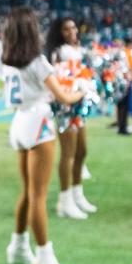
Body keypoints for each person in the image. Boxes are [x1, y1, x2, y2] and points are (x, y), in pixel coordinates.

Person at [2, 7, 85, 264]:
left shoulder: (7, 60)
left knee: (27, 192)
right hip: (38, 123)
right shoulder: (37, 61)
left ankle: (17, 247)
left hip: (18, 123)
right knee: (38, 196)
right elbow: (62, 96)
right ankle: (45, 257)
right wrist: (83, 89)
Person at [46, 17, 96, 219]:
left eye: (74, 28)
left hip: (78, 104)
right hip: (65, 106)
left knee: (82, 151)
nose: (72, 32)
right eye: (66, 29)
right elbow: (58, 79)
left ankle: (77, 194)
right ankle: (64, 201)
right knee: (69, 153)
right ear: (59, 32)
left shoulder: (77, 49)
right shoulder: (57, 53)